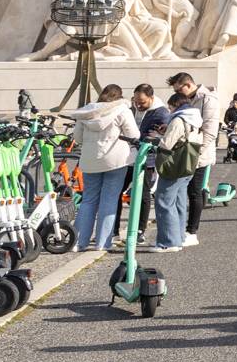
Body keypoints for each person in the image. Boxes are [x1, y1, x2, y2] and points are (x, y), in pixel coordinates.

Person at [67, 84, 139, 252]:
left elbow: (77, 138)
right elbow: (133, 135)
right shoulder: (122, 110)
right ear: (119, 96)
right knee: (109, 200)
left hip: (90, 160)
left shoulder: (87, 112)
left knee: (88, 200)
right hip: (116, 160)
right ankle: (102, 242)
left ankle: (78, 241)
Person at [168, 72, 221, 246]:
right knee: (182, 191)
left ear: (189, 85)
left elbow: (210, 131)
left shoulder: (208, 100)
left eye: (179, 90)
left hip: (199, 154)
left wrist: (195, 153)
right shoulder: (188, 99)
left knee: (195, 192)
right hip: (182, 153)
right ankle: (182, 228)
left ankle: (192, 231)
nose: (179, 94)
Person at [150, 90, 205, 252]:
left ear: (176, 105)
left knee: (164, 200)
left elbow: (167, 144)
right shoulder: (195, 118)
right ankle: (179, 236)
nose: (170, 111)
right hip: (189, 164)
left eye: (170, 107)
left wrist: (156, 138)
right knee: (180, 202)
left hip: (175, 165)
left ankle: (168, 242)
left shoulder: (178, 120)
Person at [125, 84, 170, 245]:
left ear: (151, 98)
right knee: (117, 191)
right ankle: (115, 230)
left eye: (142, 102)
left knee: (142, 194)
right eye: (136, 101)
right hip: (126, 157)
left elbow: (161, 132)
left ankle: (139, 230)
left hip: (146, 157)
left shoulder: (161, 112)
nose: (138, 105)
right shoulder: (132, 108)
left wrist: (145, 138)